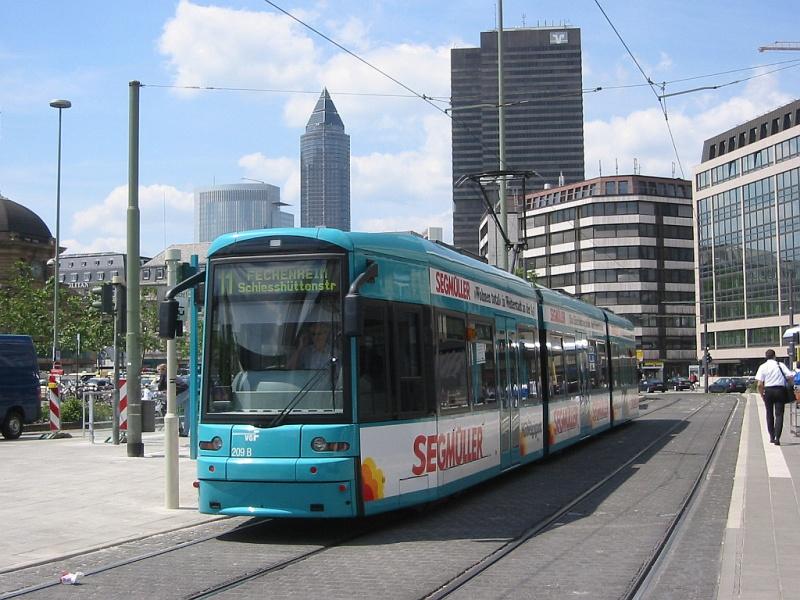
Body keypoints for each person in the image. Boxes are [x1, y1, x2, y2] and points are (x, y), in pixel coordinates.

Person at [754, 349, 795, 445]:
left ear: (766, 357)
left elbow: (759, 384)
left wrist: (762, 394)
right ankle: (777, 437)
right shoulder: (780, 365)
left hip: (768, 391)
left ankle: (771, 436)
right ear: (774, 356)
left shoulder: (763, 367)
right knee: (779, 414)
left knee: (769, 414)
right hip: (780, 391)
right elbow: (790, 376)